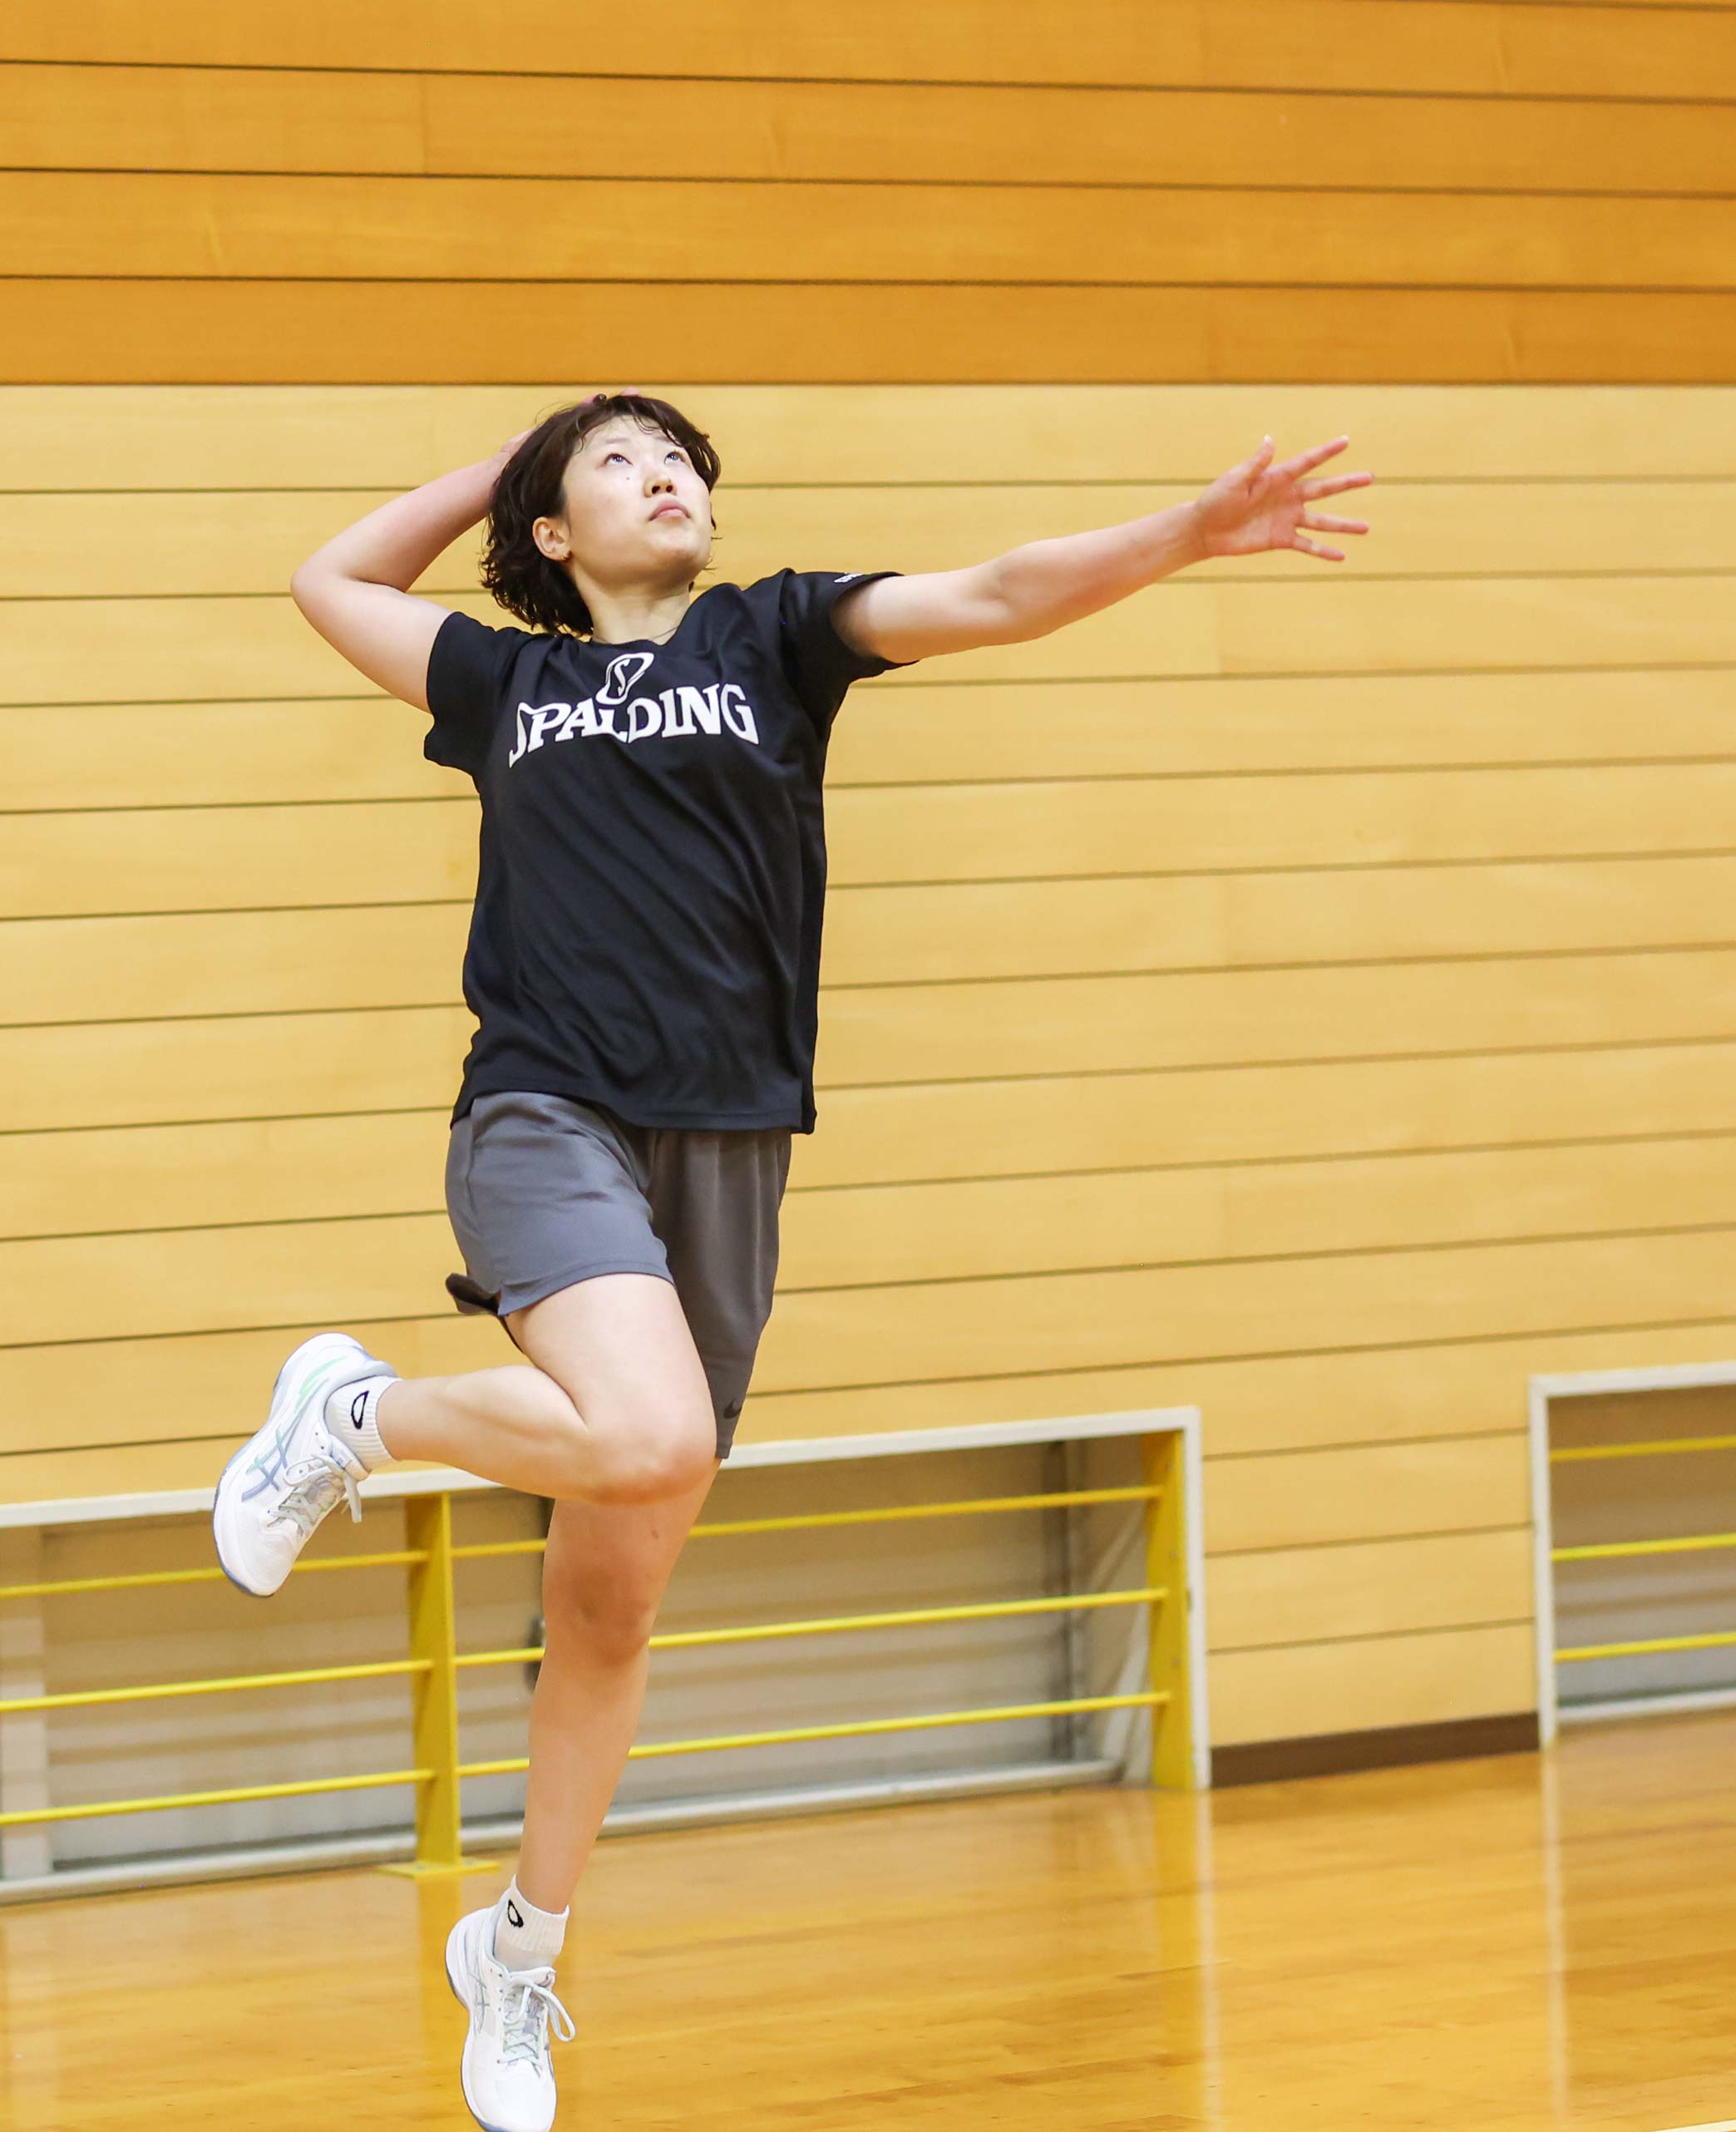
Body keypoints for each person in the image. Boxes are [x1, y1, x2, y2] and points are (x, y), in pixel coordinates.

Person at [212, 392, 1370, 2131]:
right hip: (547, 1116)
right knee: (651, 1436)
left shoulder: (774, 639)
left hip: (734, 1150)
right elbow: (331, 580)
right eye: (621, 461)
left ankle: (517, 1953)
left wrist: (1185, 536)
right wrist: (514, 458)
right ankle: (358, 1416)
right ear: (552, 530)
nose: (667, 474)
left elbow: (998, 593)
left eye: (681, 456)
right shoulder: (502, 684)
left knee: (610, 1603)